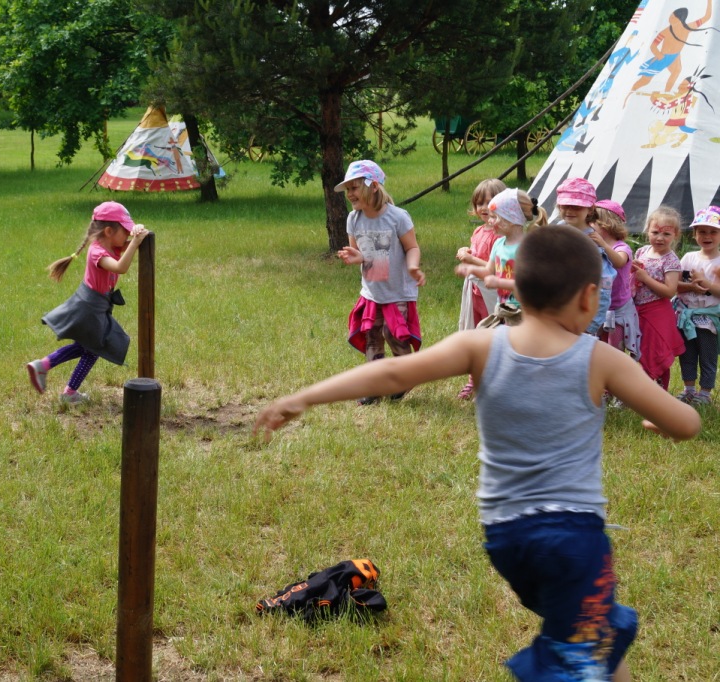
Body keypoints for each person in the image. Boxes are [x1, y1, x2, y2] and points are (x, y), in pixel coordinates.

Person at [255, 226, 701, 682]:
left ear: (516, 288)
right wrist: (661, 421)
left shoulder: (481, 345)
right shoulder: (601, 359)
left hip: (506, 538)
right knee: (582, 658)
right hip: (570, 540)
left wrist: (304, 397)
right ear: (589, 298)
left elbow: (392, 373)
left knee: (595, 639)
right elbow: (687, 424)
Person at [26, 201, 149, 405]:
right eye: (125, 231)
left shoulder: (111, 245)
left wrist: (138, 231)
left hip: (95, 306)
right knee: (94, 348)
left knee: (88, 347)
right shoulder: (97, 252)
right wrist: (135, 242)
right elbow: (120, 267)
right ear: (108, 231)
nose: (128, 235)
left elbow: (130, 244)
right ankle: (63, 386)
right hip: (90, 307)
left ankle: (47, 368)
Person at [335, 160, 425, 405]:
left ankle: (407, 376)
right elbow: (360, 253)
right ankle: (374, 386)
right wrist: (356, 257)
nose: (349, 194)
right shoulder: (353, 219)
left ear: (373, 186)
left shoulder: (397, 217)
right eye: (347, 189)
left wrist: (413, 267)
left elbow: (412, 247)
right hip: (372, 291)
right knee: (372, 335)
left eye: (354, 187)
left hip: (397, 291)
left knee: (393, 334)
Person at [455, 187, 546, 332]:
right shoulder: (499, 244)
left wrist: (498, 282)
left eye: (494, 217)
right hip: (503, 309)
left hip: (523, 312)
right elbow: (488, 271)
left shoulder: (526, 248)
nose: (490, 221)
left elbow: (528, 285)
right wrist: (471, 269)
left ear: (511, 219)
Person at [455, 179, 507, 399]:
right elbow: (475, 251)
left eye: (490, 202)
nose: (484, 207)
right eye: (479, 203)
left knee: (491, 336)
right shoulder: (478, 230)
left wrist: (470, 259)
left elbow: (494, 268)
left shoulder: (501, 235)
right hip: (475, 292)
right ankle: (474, 379)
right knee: (475, 334)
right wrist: (466, 250)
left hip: (491, 293)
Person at [632, 205, 685, 390]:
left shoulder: (671, 260)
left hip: (657, 312)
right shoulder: (642, 252)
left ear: (676, 235)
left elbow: (670, 291)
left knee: (655, 351)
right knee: (639, 350)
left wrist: (646, 278)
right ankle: (636, 389)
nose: (660, 238)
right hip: (638, 309)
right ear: (648, 230)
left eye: (666, 234)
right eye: (655, 232)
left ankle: (655, 392)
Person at [555, 178, 615, 336]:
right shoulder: (558, 231)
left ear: (590, 209)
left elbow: (604, 285)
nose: (569, 210)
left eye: (576, 206)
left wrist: (590, 325)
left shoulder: (592, 243)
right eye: (565, 205)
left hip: (579, 318)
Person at [675, 205, 720, 405]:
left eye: (713, 232)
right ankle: (689, 389)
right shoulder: (688, 258)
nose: (707, 236)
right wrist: (691, 286)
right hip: (687, 316)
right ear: (694, 234)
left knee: (708, 356)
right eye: (702, 231)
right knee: (687, 354)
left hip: (708, 318)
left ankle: (705, 393)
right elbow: (676, 285)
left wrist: (705, 283)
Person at [590, 200, 641, 365]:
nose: (589, 225)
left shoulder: (622, 247)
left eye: (593, 221)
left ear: (606, 224)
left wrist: (603, 244)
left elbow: (619, 261)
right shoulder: (593, 246)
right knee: (597, 347)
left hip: (618, 309)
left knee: (615, 349)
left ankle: (614, 376)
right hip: (600, 306)